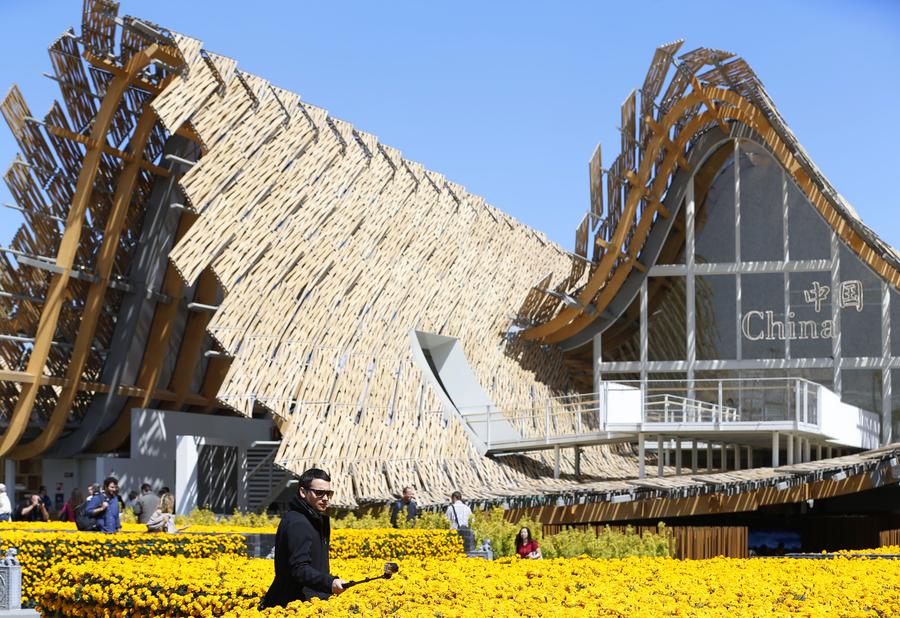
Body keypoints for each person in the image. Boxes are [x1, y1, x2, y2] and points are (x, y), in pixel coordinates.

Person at [261, 468, 345, 608]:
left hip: (311, 602)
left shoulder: (316, 518)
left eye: (328, 493)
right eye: (319, 493)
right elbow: (298, 568)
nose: (325, 498)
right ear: (303, 492)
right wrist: (329, 582)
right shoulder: (297, 522)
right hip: (293, 605)